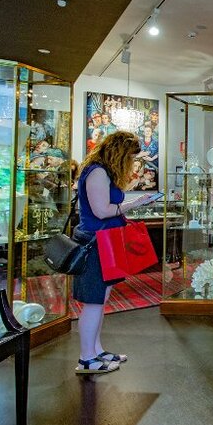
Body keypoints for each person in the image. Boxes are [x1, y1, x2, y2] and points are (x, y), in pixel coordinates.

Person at [72, 131, 156, 374]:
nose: (132, 162)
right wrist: (135, 203)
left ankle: (96, 350)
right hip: (96, 242)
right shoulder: (98, 171)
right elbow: (101, 211)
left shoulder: (100, 170)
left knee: (101, 300)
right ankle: (86, 357)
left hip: (104, 241)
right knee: (94, 301)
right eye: (130, 156)